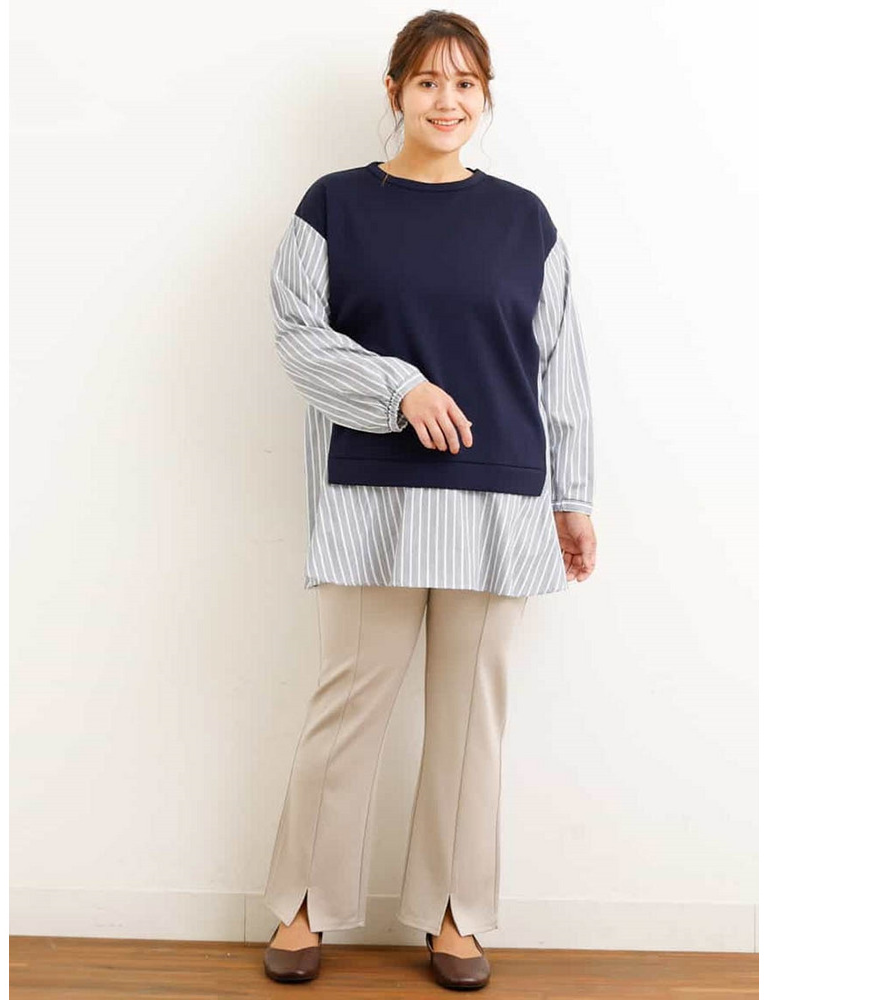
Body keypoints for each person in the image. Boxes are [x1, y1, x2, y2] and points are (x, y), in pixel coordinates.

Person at [261, 10, 596, 990]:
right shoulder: (333, 206)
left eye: (465, 83)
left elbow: (559, 366)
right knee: (348, 707)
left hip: (500, 500)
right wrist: (397, 389)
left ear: (484, 97)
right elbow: (297, 334)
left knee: (468, 721)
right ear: (395, 91)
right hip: (370, 494)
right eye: (428, 82)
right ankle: (304, 905)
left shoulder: (525, 220)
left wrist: (573, 497)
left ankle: (456, 916)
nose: (447, 101)